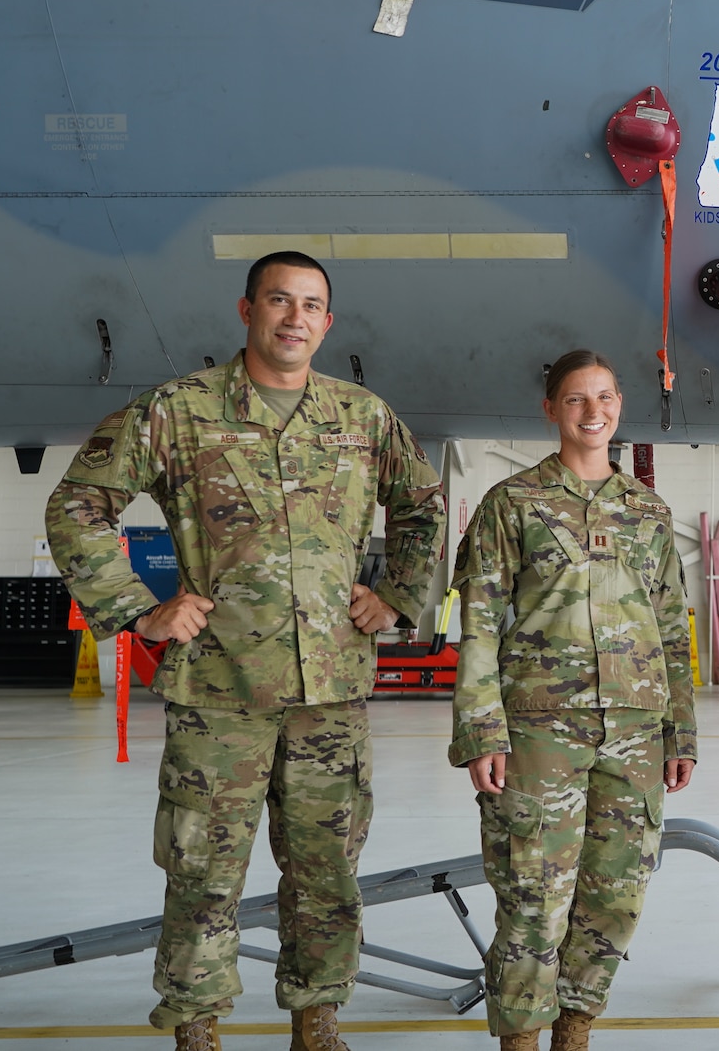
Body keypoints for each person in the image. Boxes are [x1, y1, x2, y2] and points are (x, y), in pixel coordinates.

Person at [44, 250, 445, 1050]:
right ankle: (196, 1026)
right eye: (278, 300)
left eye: (310, 305)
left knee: (326, 870)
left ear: (327, 323)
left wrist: (396, 593)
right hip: (218, 692)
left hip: (328, 691)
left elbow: (424, 507)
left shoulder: (362, 417)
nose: (294, 318)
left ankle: (317, 1017)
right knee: (203, 870)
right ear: (247, 309)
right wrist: (138, 609)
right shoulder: (180, 409)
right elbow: (78, 503)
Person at [450, 350, 698, 1050]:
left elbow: (673, 630)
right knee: (534, 896)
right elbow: (479, 622)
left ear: (621, 403)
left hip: (635, 733)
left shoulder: (647, 511)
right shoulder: (514, 504)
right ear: (551, 409)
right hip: (538, 735)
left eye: (606, 396)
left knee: (615, 895)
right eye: (577, 399)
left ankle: (576, 1028)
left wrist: (681, 734)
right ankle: (522, 1039)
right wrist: (481, 729)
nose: (594, 412)